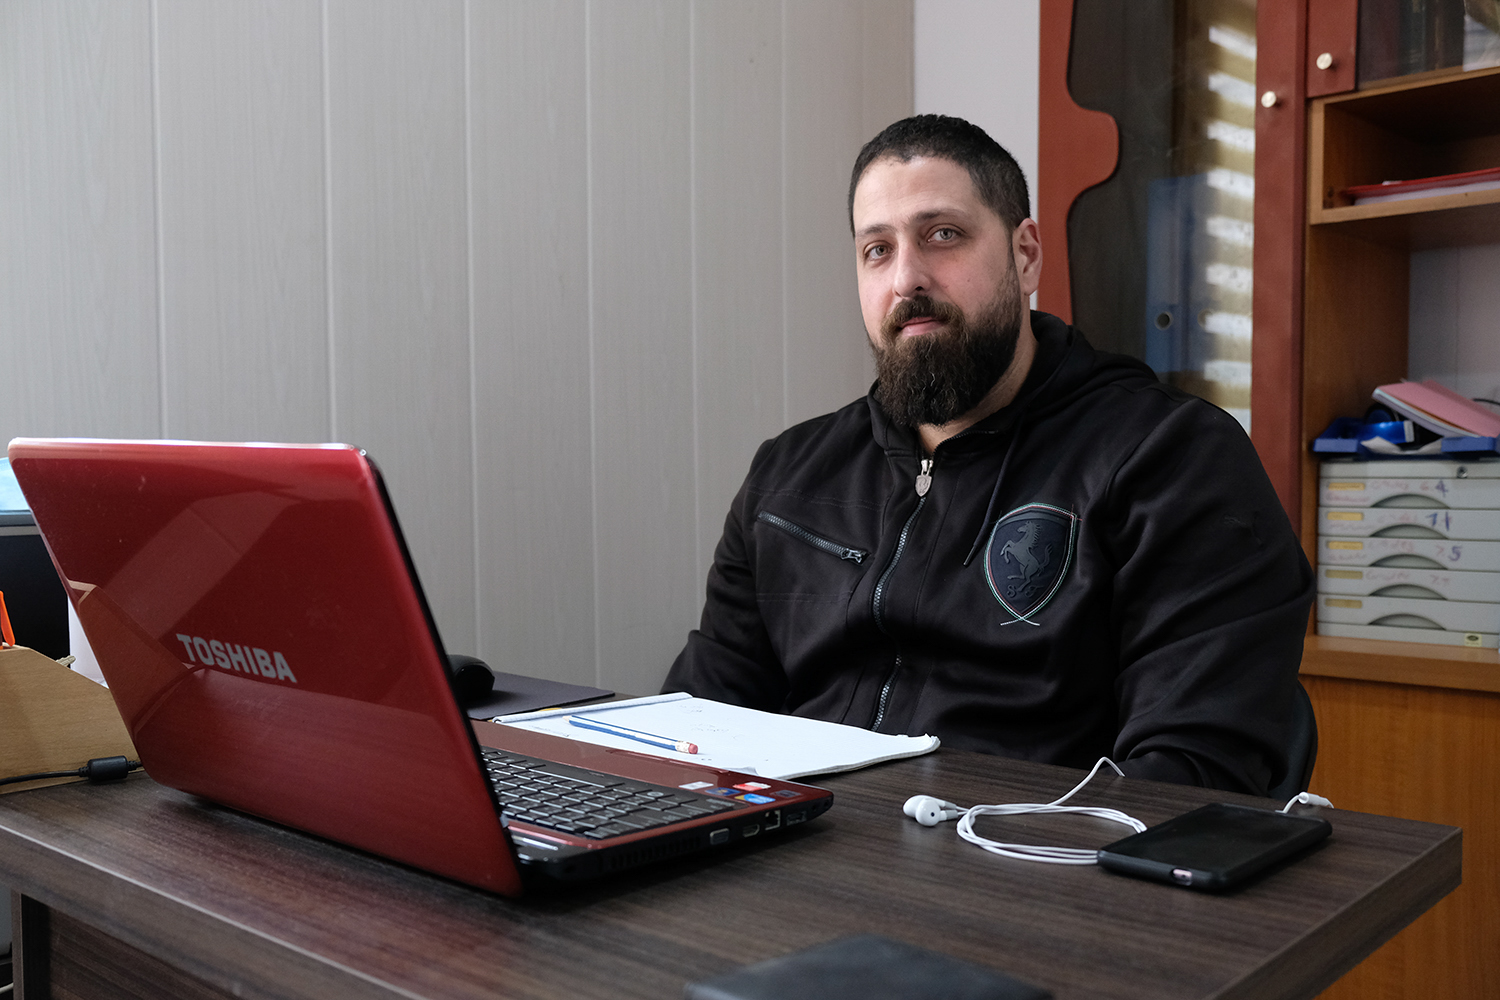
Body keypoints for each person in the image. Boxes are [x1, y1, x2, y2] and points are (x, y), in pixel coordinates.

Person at [663, 114, 1313, 795]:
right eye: (877, 250)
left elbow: (1191, 776)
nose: (907, 278)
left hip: (1021, 868)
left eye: (943, 235)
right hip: (794, 859)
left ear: (1025, 255)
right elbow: (698, 723)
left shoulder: (1171, 459)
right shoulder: (788, 475)